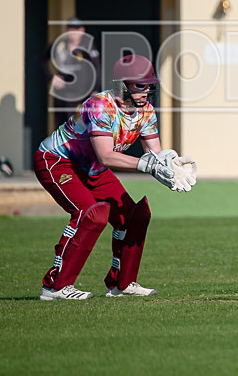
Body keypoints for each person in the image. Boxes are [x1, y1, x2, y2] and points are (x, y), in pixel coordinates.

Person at [35, 55, 197, 300]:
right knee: (90, 213)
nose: (147, 91)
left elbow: (154, 154)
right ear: (123, 84)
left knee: (135, 216)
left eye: (149, 85)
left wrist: (170, 166)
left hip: (92, 168)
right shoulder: (99, 105)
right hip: (57, 161)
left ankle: (122, 284)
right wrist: (149, 166)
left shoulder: (147, 111)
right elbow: (106, 157)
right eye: (140, 85)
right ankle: (55, 286)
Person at [43, 18, 102, 128]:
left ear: (82, 30)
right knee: (59, 126)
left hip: (80, 94)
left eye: (76, 29)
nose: (73, 33)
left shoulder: (87, 46)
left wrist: (95, 90)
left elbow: (97, 68)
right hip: (61, 93)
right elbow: (43, 60)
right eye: (70, 29)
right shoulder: (60, 45)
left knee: (77, 126)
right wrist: (52, 78)